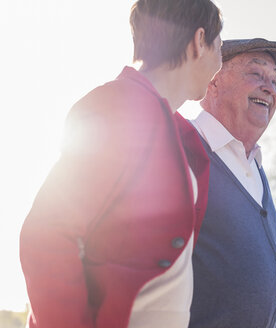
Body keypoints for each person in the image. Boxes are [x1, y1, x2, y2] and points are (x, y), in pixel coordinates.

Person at [19, 1, 222, 327]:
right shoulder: (120, 106)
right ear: (200, 41)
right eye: (219, 47)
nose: (219, 63)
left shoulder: (181, 136)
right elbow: (46, 236)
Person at [188, 38, 276, 328]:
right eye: (256, 74)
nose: (269, 88)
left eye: (274, 81)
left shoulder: (256, 169)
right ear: (214, 80)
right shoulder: (182, 149)